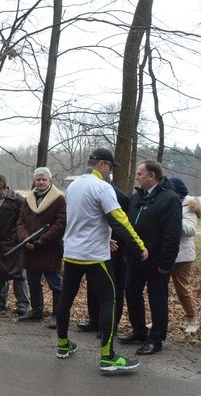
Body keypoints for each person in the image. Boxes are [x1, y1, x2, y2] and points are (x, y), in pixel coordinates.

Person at [56, 148, 147, 373]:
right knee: (109, 301)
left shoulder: (73, 186)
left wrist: (104, 237)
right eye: (110, 167)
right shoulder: (102, 187)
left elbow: (80, 219)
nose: (110, 172)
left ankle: (62, 345)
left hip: (72, 253)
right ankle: (108, 357)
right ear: (102, 165)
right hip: (95, 256)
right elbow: (120, 220)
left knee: (65, 299)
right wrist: (139, 245)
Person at [120, 161, 182, 355]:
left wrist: (166, 263)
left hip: (156, 261)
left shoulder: (169, 199)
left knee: (157, 300)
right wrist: (126, 251)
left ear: (152, 176)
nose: (137, 176)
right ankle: (139, 331)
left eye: (140, 173)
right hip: (135, 259)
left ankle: (156, 339)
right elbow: (128, 226)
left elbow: (172, 234)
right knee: (131, 293)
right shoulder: (137, 196)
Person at [77, 182, 130, 334]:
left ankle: (110, 325)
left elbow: (123, 224)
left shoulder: (120, 197)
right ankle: (94, 320)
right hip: (94, 247)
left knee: (113, 288)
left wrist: (116, 243)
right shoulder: (88, 194)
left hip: (114, 249)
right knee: (93, 285)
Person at [16, 167, 66, 328]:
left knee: (55, 283)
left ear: (50, 181)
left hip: (49, 249)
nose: (41, 182)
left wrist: (42, 240)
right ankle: (36, 311)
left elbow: (60, 223)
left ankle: (58, 315)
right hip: (30, 249)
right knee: (33, 281)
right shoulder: (29, 199)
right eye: (38, 179)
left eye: (44, 179)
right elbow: (21, 222)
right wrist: (25, 239)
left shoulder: (58, 199)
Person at [0, 173, 29, 315]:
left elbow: (23, 221)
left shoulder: (17, 200)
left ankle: (22, 304)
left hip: (13, 244)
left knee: (18, 275)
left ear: (1, 185)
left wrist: (16, 237)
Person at [168, 177, 201, 335]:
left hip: (183, 255)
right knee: (159, 289)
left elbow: (190, 230)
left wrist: (175, 218)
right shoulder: (169, 201)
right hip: (166, 253)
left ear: (176, 190)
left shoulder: (189, 205)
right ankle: (160, 319)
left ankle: (192, 319)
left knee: (182, 289)